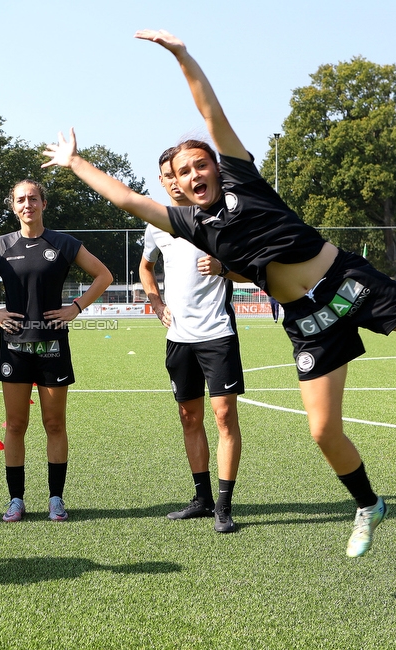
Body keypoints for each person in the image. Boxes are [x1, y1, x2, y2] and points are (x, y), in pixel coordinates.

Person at [43, 30, 396, 557]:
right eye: (184, 172)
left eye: (201, 164)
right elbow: (124, 198)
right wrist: (75, 162)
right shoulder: (191, 226)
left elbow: (211, 115)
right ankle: (368, 504)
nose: (195, 174)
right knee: (324, 432)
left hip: (351, 286)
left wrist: (183, 56)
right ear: (177, 186)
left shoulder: (244, 181)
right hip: (308, 321)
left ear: (216, 165)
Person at [0, 179, 112, 522]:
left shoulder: (63, 243)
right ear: (13, 206)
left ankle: (56, 499)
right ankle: (16, 499)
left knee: (54, 424)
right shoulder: (1, 245)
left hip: (52, 347)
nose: (27, 204)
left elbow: (103, 275)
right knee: (15, 425)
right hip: (14, 347)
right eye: (20, 199)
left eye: (33, 198)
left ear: (43, 204)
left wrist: (75, 307)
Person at [139, 148, 244, 532]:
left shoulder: (220, 218)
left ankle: (224, 506)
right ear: (165, 181)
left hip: (217, 333)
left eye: (180, 172)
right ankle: (200, 499)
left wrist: (223, 268)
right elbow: (145, 267)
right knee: (188, 417)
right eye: (168, 174)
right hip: (178, 338)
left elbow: (255, 268)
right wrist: (154, 300)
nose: (176, 179)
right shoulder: (157, 224)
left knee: (224, 417)